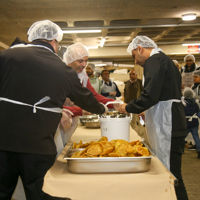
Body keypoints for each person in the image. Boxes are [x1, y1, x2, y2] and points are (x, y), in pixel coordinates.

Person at [0, 20, 107, 200]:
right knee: (40, 194)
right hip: (38, 148)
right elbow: (86, 99)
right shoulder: (62, 70)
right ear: (55, 42)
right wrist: (102, 109)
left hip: (2, 144)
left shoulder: (6, 56)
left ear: (32, 37)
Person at [119, 36, 188, 200]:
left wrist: (127, 107)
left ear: (140, 49)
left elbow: (150, 95)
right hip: (173, 119)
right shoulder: (165, 60)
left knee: (171, 176)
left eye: (135, 56)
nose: (136, 61)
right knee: (171, 173)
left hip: (169, 124)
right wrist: (147, 110)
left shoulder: (154, 61)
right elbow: (161, 94)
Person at [61, 43, 115, 145]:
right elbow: (54, 105)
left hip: (72, 121)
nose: (84, 64)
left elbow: (93, 95)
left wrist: (113, 103)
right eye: (80, 61)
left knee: (66, 145)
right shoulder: (59, 74)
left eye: (86, 60)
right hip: (59, 120)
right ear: (69, 59)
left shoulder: (83, 75)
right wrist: (79, 110)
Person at [182, 87, 200, 158]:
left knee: (183, 137)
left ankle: (181, 149)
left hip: (186, 122)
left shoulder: (183, 103)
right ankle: (199, 150)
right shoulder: (196, 103)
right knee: (196, 137)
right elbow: (198, 113)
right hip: (194, 122)